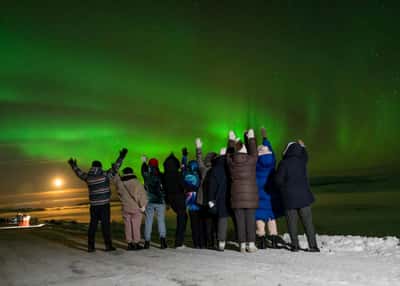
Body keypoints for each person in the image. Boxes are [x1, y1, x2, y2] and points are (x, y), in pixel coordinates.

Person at [68, 148, 128, 252]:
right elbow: (115, 169)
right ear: (100, 167)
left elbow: (79, 173)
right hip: (104, 205)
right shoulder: (104, 175)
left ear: (92, 167)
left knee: (93, 225)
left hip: (94, 206)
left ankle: (91, 247)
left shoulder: (88, 177)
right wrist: (121, 157)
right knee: (105, 226)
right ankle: (108, 246)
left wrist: (73, 165)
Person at [275, 140, 320, 252]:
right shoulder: (301, 161)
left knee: (292, 223)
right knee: (308, 223)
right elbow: (306, 156)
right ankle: (313, 246)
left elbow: (278, 181)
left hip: (289, 199)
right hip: (304, 197)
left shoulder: (283, 163)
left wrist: (283, 188)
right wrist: (303, 147)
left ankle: (295, 246)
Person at [226, 129, 259, 253]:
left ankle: (241, 245)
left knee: (240, 221)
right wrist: (250, 137)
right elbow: (254, 153)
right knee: (250, 220)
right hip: (251, 196)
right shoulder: (251, 160)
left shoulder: (231, 162)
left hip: (236, 196)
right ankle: (251, 245)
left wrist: (231, 140)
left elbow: (228, 155)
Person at [255, 127, 284, 249]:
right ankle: (273, 239)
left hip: (259, 195)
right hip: (271, 195)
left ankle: (261, 240)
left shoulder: (256, 165)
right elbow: (271, 151)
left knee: (259, 216)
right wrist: (265, 138)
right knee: (271, 217)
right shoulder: (272, 163)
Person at [114, 167, 147, 251]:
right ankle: (136, 243)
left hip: (125, 207)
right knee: (135, 225)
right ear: (132, 172)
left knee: (127, 225)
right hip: (135, 208)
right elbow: (141, 195)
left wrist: (116, 172)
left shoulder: (120, 182)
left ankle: (129, 244)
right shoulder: (136, 182)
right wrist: (143, 206)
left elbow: (116, 180)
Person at [194, 138, 218, 249]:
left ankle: (208, 243)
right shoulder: (217, 170)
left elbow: (199, 160)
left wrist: (198, 148)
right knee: (215, 222)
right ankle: (216, 241)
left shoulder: (204, 170)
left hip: (203, 200)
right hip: (214, 200)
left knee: (207, 222)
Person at [206, 147, 231, 251]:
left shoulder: (214, 169)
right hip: (230, 197)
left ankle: (221, 243)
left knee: (220, 219)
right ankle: (242, 241)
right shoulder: (230, 166)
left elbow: (211, 186)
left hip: (217, 198)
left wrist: (211, 200)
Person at [141, 156, 167, 249]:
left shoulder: (147, 175)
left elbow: (143, 171)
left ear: (149, 166)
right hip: (160, 201)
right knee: (161, 221)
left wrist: (144, 162)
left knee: (148, 221)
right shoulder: (161, 175)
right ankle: (163, 241)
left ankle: (147, 242)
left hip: (150, 201)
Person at [163, 153, 187, 248]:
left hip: (170, 199)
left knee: (182, 217)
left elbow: (164, 188)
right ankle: (179, 242)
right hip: (179, 198)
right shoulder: (178, 174)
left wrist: (167, 201)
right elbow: (183, 185)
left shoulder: (165, 175)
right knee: (182, 218)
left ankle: (178, 240)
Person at [182, 153, 204, 248]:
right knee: (201, 225)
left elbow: (183, 168)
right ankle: (202, 243)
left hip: (190, 203)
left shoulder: (186, 175)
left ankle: (196, 243)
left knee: (194, 225)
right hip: (200, 201)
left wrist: (184, 158)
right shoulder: (199, 176)